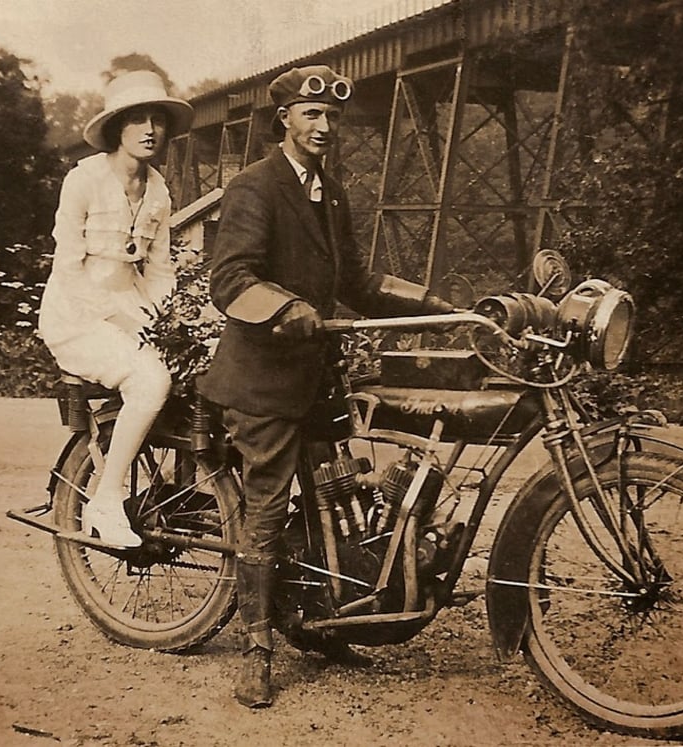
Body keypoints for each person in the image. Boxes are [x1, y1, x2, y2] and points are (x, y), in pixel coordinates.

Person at [197, 64, 454, 708]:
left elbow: (359, 285)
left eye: (333, 117)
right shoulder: (254, 187)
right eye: (311, 114)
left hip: (316, 376)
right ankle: (257, 647)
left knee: (331, 493)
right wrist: (286, 308)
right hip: (262, 378)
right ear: (283, 117)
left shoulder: (330, 193)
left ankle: (317, 617)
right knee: (269, 501)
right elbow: (229, 279)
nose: (324, 126)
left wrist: (435, 306)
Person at [38, 71, 193, 548]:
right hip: (77, 315)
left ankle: (185, 492)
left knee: (199, 364)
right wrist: (119, 318)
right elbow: (68, 266)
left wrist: (170, 320)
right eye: (137, 120)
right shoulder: (84, 180)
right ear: (116, 129)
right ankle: (106, 499)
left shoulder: (159, 191)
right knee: (151, 380)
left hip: (133, 306)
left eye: (158, 120)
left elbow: (161, 267)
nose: (150, 129)